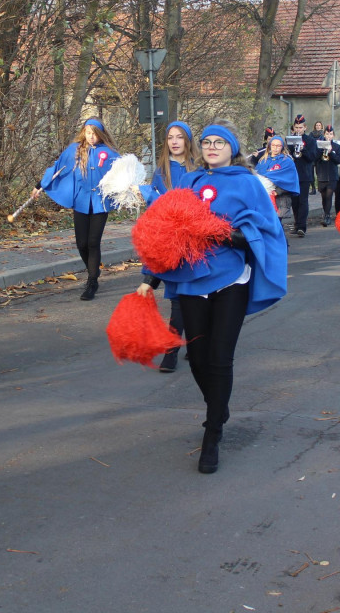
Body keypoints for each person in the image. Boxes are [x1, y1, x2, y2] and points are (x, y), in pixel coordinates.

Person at [136, 120, 287, 474]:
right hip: (191, 279)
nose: (212, 147)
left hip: (231, 278)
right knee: (200, 359)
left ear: (233, 148)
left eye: (220, 142)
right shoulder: (189, 181)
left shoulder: (249, 184)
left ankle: (212, 432)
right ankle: (219, 407)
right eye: (207, 142)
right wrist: (151, 277)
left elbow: (264, 230)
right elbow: (166, 230)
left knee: (220, 358)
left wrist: (220, 233)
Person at [33, 118, 120, 300]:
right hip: (81, 200)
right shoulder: (75, 150)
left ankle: (92, 280)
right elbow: (58, 168)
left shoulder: (110, 153)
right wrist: (40, 184)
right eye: (88, 132)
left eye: (95, 133)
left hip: (100, 202)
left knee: (93, 242)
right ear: (83, 132)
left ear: (101, 134)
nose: (91, 136)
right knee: (82, 243)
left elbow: (123, 174)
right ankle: (93, 269)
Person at [138, 121, 200, 373]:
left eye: (180, 137)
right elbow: (155, 208)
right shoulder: (160, 171)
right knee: (176, 297)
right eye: (170, 138)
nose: (175, 142)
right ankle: (171, 352)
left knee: (192, 298)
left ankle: (193, 344)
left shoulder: (199, 168)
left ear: (187, 140)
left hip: (194, 240)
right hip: (169, 240)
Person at [255, 135, 300, 221]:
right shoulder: (263, 160)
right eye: (273, 145)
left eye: (278, 146)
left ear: (282, 147)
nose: (275, 148)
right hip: (264, 198)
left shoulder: (287, 161)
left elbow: (290, 181)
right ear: (269, 146)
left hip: (279, 199)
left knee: (277, 225)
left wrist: (276, 192)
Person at [287, 114, 318, 237]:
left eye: (300, 127)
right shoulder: (290, 140)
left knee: (303, 201)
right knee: (294, 202)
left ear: (305, 127)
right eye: (296, 127)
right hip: (293, 175)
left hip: (305, 175)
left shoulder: (310, 140)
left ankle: (302, 227)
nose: (298, 130)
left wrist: (303, 149)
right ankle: (296, 223)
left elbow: (312, 157)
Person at [313, 126, 340, 225]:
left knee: (329, 196)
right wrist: (322, 150)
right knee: (324, 197)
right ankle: (326, 213)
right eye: (327, 134)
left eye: (331, 134)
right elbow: (315, 158)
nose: (329, 136)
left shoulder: (336, 147)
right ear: (324, 134)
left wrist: (331, 153)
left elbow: (338, 160)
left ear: (333, 135)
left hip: (332, 176)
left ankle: (327, 216)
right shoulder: (319, 145)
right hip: (322, 175)